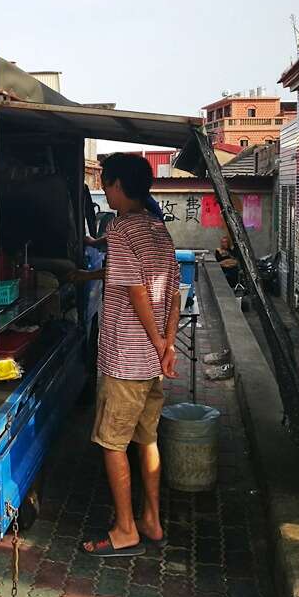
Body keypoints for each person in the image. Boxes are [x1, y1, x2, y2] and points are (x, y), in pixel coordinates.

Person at [72, 153, 180, 557]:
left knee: (112, 442)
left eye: (105, 181)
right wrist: (167, 344)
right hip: (151, 363)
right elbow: (172, 291)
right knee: (146, 439)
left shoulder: (121, 229)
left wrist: (155, 342)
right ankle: (152, 521)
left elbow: (136, 292)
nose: (103, 188)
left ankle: (125, 530)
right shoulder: (157, 229)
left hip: (126, 360)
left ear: (118, 185)